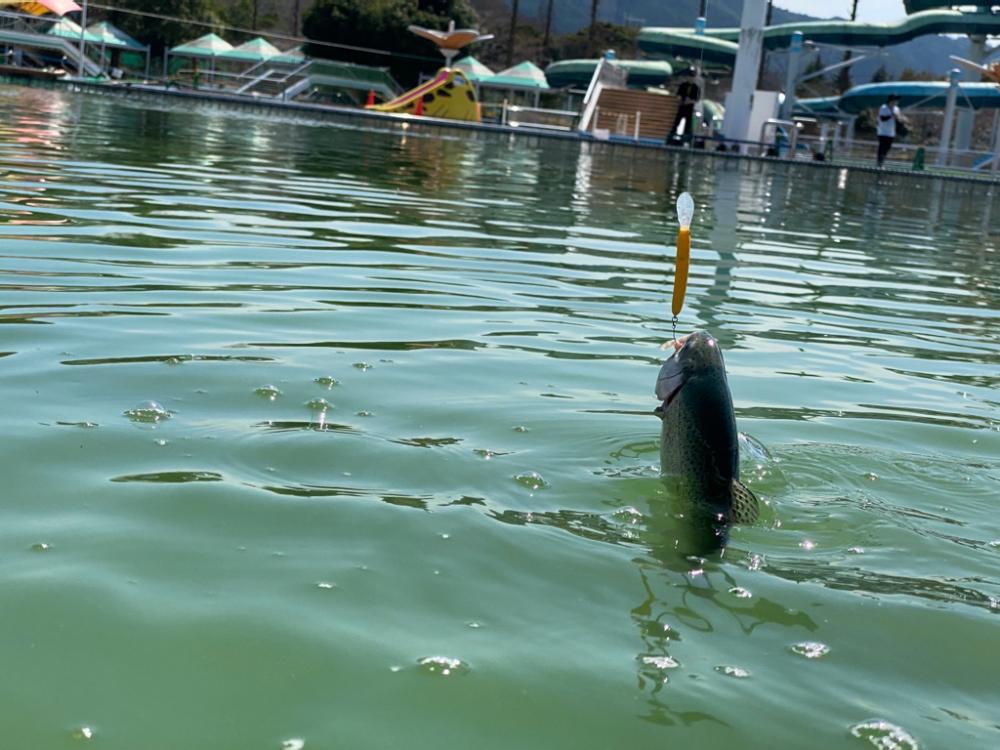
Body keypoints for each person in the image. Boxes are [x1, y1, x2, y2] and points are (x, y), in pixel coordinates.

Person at [669, 68, 701, 143]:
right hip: (682, 107)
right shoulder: (683, 85)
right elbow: (679, 95)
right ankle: (672, 135)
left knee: (688, 124)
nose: (691, 78)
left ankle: (685, 138)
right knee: (677, 121)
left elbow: (695, 99)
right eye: (690, 76)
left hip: (689, 109)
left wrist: (688, 101)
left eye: (692, 77)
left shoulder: (696, 88)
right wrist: (681, 100)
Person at [876, 93, 907, 167]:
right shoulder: (884, 107)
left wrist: (900, 118)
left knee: (887, 148)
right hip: (882, 132)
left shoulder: (896, 109)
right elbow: (882, 118)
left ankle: (882, 162)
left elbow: (899, 120)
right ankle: (879, 162)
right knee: (882, 147)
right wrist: (891, 115)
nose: (896, 101)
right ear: (891, 100)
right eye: (895, 100)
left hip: (891, 133)